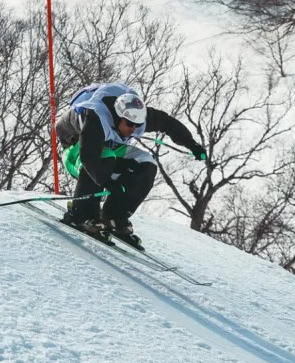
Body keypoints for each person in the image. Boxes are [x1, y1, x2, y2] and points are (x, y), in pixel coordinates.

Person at [55, 82, 206, 247]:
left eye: (137, 125)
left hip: (109, 148)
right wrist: (107, 182)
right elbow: (89, 156)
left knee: (146, 163)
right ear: (119, 116)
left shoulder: (137, 117)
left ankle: (114, 216)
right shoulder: (96, 117)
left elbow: (168, 123)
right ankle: (81, 213)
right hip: (75, 147)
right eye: (129, 124)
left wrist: (193, 145)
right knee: (105, 157)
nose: (133, 129)